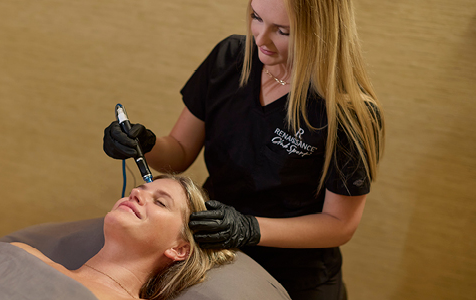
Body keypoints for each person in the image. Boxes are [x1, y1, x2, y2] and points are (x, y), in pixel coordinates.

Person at [102, 0, 385, 299]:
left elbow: (340, 225)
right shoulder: (230, 59)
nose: (260, 39)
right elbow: (180, 152)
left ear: (322, 32)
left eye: (283, 31)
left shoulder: (348, 112)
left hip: (297, 276)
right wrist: (145, 144)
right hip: (217, 258)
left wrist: (250, 228)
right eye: (256, 17)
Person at [12, 175, 236, 300]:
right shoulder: (22, 254)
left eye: (160, 202)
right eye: (137, 190)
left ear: (179, 249)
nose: (136, 193)